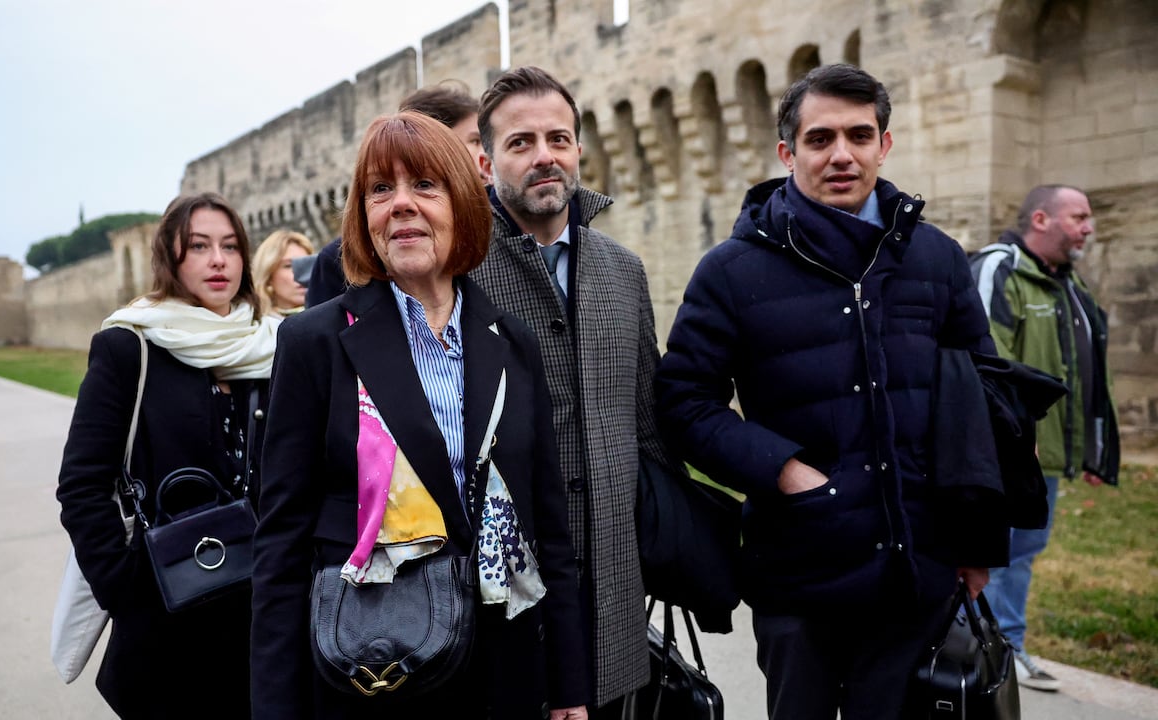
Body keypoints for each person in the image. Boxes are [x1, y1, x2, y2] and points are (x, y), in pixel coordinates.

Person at [654, 63, 1000, 720]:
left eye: (859, 135)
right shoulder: (731, 272)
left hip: (916, 571)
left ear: (884, 145)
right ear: (788, 153)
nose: (841, 154)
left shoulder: (937, 258)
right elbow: (682, 401)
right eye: (819, 139)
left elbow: (978, 402)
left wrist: (976, 544)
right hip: (799, 575)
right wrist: (783, 471)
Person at [251, 111, 589, 720]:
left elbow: (550, 531)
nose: (401, 205)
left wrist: (567, 685)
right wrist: (276, 706)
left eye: (424, 186)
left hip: (500, 668)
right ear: (364, 216)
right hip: (377, 670)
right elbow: (279, 544)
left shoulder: (511, 343)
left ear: (462, 203)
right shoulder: (316, 344)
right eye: (381, 189)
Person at [470, 66, 674, 716]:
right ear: (485, 160)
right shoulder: (460, 275)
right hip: (506, 596)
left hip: (613, 596)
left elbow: (648, 422)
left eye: (558, 139)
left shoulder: (623, 271)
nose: (544, 157)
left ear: (579, 149)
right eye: (520, 142)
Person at [56, 192, 277, 718]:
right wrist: (128, 590)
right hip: (170, 616)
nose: (218, 259)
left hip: (265, 614)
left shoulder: (274, 345)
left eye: (229, 246)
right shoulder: (129, 346)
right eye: (198, 246)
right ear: (170, 258)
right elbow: (82, 486)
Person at [970, 184, 1120, 692]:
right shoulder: (1002, 269)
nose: (1088, 226)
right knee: (990, 547)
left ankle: (1006, 646)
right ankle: (974, 647)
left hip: (1046, 452)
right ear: (1041, 219)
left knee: (1024, 546)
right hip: (1008, 446)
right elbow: (985, 359)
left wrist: (1096, 447)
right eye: (1078, 216)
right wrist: (1009, 438)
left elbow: (1090, 373)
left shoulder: (1068, 287)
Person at [307, 81, 486, 308]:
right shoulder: (336, 262)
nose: (484, 154)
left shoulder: (507, 333)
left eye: (423, 184)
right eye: (474, 141)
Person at [251, 229, 315, 317]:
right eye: (288, 266)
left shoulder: (333, 317)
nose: (302, 272)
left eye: (306, 263)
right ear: (269, 277)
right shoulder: (256, 326)